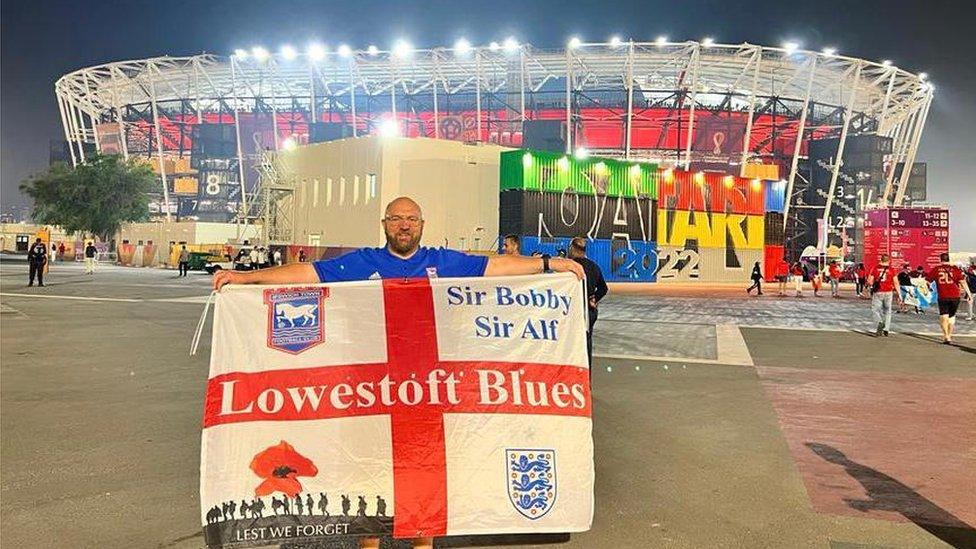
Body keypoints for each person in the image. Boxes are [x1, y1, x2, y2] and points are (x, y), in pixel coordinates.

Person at [213, 197, 584, 549]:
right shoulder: (362, 262)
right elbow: (305, 272)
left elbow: (496, 266)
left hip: (428, 391)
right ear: (385, 224)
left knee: (426, 474)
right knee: (369, 477)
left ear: (421, 225)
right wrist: (246, 278)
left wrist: (551, 265)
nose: (403, 225)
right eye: (396, 219)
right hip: (372, 391)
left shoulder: (443, 261)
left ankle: (423, 543)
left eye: (410, 219)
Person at [567, 236, 608, 370]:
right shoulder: (594, 267)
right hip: (588, 312)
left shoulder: (569, 267)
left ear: (572, 249)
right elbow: (603, 288)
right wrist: (594, 299)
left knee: (570, 345)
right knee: (586, 344)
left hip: (572, 311)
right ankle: (586, 376)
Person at [926, 253, 966, 344]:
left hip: (943, 296)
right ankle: (950, 335)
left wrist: (929, 288)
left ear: (940, 260)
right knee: (951, 317)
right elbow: (963, 282)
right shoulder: (955, 269)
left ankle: (946, 336)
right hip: (955, 296)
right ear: (949, 259)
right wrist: (969, 294)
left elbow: (927, 280)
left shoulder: (936, 269)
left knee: (943, 316)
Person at [864, 254, 895, 337]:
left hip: (878, 292)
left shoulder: (875, 268)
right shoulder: (892, 269)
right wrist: (899, 294)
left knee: (875, 310)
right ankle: (886, 329)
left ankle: (879, 322)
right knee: (887, 311)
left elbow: (870, 281)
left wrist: (870, 286)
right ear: (889, 261)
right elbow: (896, 282)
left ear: (881, 260)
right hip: (889, 292)